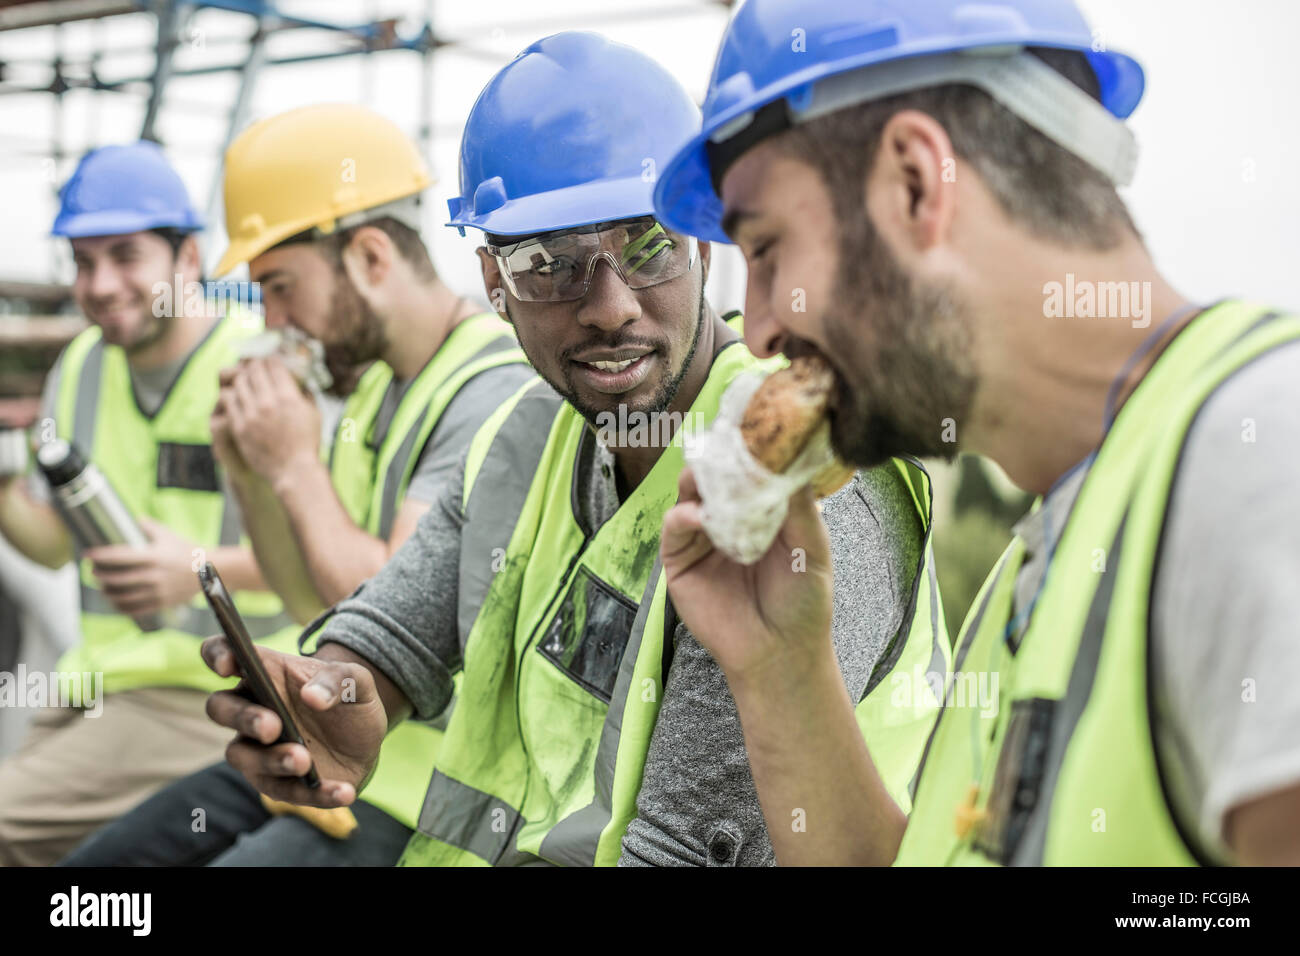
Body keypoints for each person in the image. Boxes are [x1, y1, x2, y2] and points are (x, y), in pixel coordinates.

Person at [199, 31, 947, 867]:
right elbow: (387, 639)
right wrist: (341, 692)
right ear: (493, 284)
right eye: (549, 263)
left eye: (648, 244)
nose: (610, 306)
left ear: (700, 246)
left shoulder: (807, 487)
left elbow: (682, 851)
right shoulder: (523, 441)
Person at [651, 0, 1300, 865]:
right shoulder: (1045, 551)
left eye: (766, 249)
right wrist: (780, 669)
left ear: (917, 181)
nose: (761, 328)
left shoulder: (1261, 460)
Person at [59, 104, 534, 867]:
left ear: (372, 258)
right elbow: (312, 602)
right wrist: (249, 470)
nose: (274, 319)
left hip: (423, 792)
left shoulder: (491, 392)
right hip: (329, 755)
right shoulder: (380, 390)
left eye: (280, 287)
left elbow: (393, 619)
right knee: (92, 884)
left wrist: (294, 465)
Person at [0, 141, 293, 866]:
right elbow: (56, 546)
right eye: (83, 261)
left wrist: (191, 568)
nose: (99, 284)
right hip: (96, 686)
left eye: (125, 257)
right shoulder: (81, 368)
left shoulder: (262, 366)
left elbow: (348, 558)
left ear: (187, 260)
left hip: (215, 688)